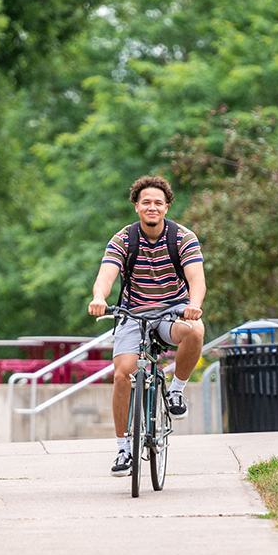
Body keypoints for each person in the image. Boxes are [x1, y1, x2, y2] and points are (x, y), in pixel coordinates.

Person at [88, 175, 206, 477]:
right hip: (133, 313)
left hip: (172, 312)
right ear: (136, 207)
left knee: (196, 331)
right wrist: (99, 297)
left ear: (166, 207)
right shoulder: (124, 239)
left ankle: (176, 390)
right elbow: (106, 274)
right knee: (122, 374)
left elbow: (196, 279)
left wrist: (193, 305)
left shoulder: (182, 237)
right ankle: (123, 449)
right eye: (146, 203)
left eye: (158, 202)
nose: (152, 207)